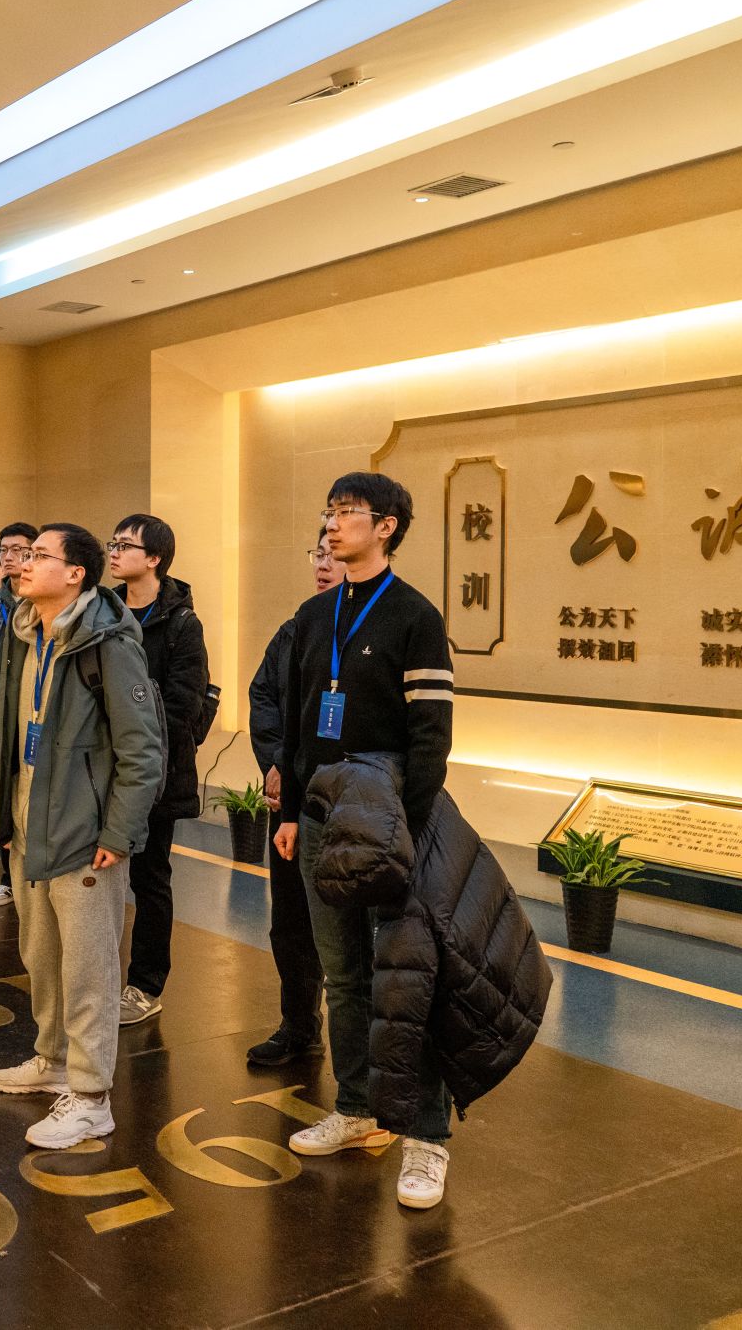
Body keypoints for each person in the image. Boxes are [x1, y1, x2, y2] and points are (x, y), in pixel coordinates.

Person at [273, 472, 457, 1210]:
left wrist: (405, 826)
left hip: (386, 823)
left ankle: (426, 1138)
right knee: (343, 973)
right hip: (321, 816)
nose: (332, 524)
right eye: (330, 511)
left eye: (347, 512)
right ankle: (354, 1109)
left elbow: (431, 736)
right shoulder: (315, 615)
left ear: (387, 526)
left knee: (406, 980)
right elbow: (299, 720)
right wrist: (290, 811)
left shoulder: (415, 616)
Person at [0, 523, 163, 1149]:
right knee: (41, 957)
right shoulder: (22, 635)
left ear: (75, 573)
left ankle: (90, 1098)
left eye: (39, 555)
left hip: (87, 836)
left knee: (89, 970)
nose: (24, 563)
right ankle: (53, 1059)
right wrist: (5, 825)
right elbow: (10, 739)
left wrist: (120, 831)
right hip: (30, 826)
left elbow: (142, 750)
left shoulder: (107, 644)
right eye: (23, 555)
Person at [106, 514, 209, 1027]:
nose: (114, 551)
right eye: (113, 543)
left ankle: (146, 985)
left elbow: (183, 703)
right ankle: (99, 977)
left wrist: (130, 732)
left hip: (156, 770)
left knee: (150, 878)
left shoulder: (182, 624)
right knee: (101, 877)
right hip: (103, 766)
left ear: (154, 559)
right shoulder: (103, 611)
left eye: (126, 545)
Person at [242, 522, 339, 1067]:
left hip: (346, 800)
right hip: (291, 802)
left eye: (333, 554)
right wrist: (276, 763)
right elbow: (263, 696)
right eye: (317, 554)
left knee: (349, 928)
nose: (323, 564)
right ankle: (299, 1026)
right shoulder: (295, 627)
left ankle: (362, 1048)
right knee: (291, 922)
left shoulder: (382, 625)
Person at [0, 521, 38, 907]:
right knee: (0, 790)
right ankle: (7, 875)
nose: (9, 557)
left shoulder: (36, 601)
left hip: (29, 707)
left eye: (19, 549)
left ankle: (28, 878)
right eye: (4, 550)